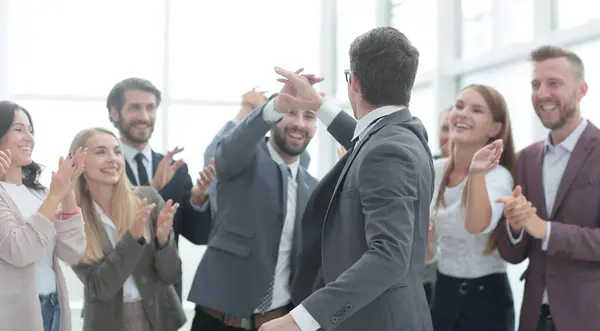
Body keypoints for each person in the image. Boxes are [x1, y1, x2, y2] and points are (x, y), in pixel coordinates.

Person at [260, 26, 434, 331]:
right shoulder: (404, 133)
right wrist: (316, 104)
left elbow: (389, 256)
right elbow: (364, 139)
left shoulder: (388, 150)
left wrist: (300, 320)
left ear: (353, 81)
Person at [187, 71, 333, 331]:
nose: (299, 123)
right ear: (275, 118)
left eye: (309, 116)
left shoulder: (313, 187)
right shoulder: (242, 162)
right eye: (291, 112)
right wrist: (275, 105)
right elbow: (228, 149)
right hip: (218, 323)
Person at [495, 45, 600, 331]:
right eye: (535, 84)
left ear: (581, 89)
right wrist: (516, 227)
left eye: (554, 83)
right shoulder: (525, 159)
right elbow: (513, 254)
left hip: (588, 317)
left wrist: (546, 230)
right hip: (533, 317)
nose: (542, 94)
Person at [106, 78, 213, 298]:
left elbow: (199, 235)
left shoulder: (176, 170)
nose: (144, 117)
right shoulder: (101, 168)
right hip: (115, 299)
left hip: (165, 302)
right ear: (114, 113)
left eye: (150, 108)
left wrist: (198, 200)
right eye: (135, 107)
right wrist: (153, 187)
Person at [70, 128, 185, 331]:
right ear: (80, 161)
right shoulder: (72, 218)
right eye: (100, 152)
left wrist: (163, 240)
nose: (112, 159)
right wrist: (134, 238)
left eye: (117, 151)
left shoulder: (147, 198)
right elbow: (102, 287)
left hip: (158, 319)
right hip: (108, 323)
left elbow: (171, 275)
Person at [428, 85, 516, 331]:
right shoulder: (434, 171)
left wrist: (476, 172)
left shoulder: (498, 176)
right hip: (442, 294)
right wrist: (423, 239)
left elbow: (476, 225)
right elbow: (428, 254)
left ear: (495, 128)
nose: (463, 113)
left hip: (486, 301)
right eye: (459, 106)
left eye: (476, 109)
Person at [0, 101, 86, 331]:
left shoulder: (39, 194)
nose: (29, 137)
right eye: (18, 129)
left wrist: (67, 193)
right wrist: (54, 197)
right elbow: (20, 251)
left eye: (30, 130)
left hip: (53, 305)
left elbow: (72, 252)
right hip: (14, 315)